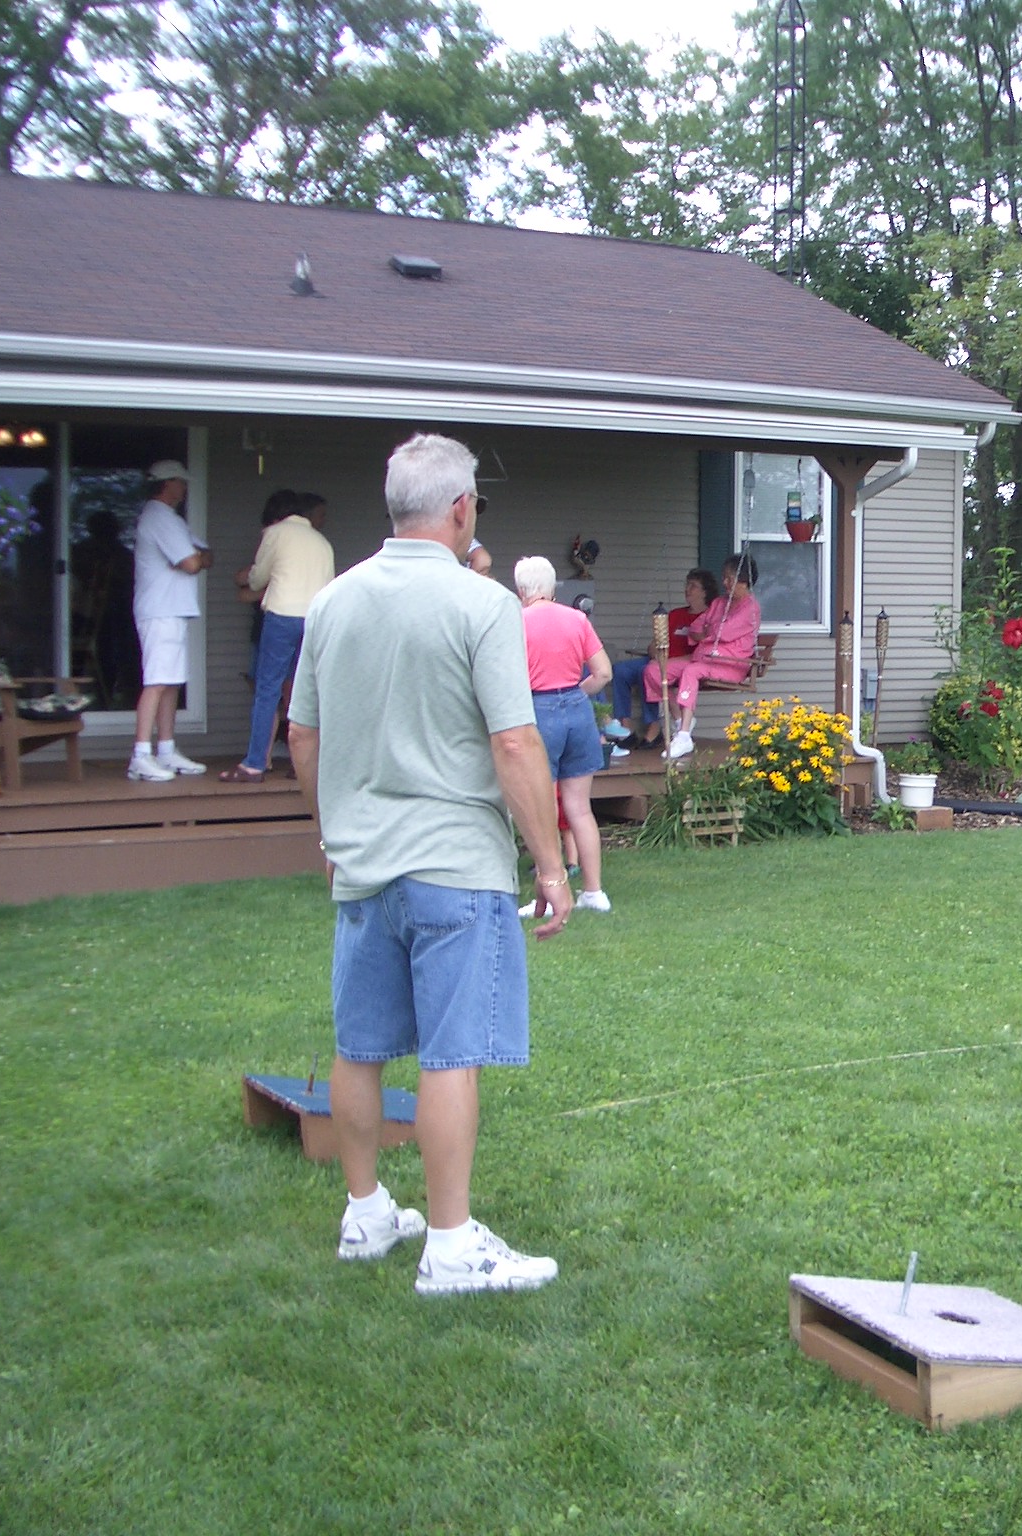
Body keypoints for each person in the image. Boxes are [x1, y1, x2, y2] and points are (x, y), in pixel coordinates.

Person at [286, 432, 569, 1296]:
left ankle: (365, 1212)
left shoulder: (332, 602)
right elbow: (515, 742)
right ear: (460, 508)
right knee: (451, 1055)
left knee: (360, 1047)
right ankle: (449, 1247)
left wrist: (330, 835)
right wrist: (551, 867)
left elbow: (302, 735)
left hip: (362, 863)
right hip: (455, 865)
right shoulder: (482, 604)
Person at [513, 554, 613, 914]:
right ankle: (594, 892)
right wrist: (574, 694)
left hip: (538, 711)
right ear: (552, 587)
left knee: (542, 811)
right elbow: (603, 673)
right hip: (577, 711)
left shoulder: (517, 622)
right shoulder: (576, 619)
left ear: (521, 590)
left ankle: (547, 897)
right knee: (580, 808)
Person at [222, 488, 335, 782]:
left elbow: (258, 577)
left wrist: (254, 583)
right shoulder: (322, 542)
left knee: (268, 689)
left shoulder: (275, 533)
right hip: (314, 619)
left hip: (282, 616)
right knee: (302, 692)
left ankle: (255, 764)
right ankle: (303, 764)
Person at [128, 459, 212, 781]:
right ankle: (140, 755)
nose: (185, 487)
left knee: (171, 681)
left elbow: (206, 555)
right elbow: (192, 563)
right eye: (181, 482)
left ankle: (165, 749)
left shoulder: (171, 520)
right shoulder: (159, 517)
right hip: (160, 610)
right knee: (157, 681)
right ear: (168, 484)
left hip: (171, 610)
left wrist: (194, 558)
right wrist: (193, 559)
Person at [644, 552, 760, 760]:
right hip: (704, 657)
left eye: (729, 579)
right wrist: (710, 630)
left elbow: (725, 632)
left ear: (743, 581)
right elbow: (696, 627)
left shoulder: (751, 608)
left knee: (691, 671)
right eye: (724, 578)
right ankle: (680, 720)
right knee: (654, 669)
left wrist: (710, 629)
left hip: (730, 663)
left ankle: (683, 735)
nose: (724, 583)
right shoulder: (719, 603)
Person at [611, 568, 718, 749]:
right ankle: (625, 726)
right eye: (687, 585)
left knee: (647, 672)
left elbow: (702, 653)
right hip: (659, 660)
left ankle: (654, 726)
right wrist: (654, 651)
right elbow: (655, 643)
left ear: (705, 591)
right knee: (620, 670)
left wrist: (666, 662)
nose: (687, 589)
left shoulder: (707, 619)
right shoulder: (675, 614)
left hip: (683, 665)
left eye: (693, 586)